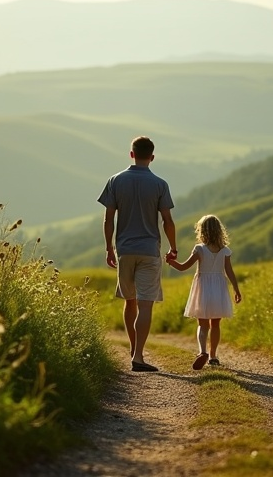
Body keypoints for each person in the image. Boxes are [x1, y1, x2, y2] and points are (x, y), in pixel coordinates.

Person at [97, 136, 178, 372]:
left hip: (124, 250)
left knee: (129, 301)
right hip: (150, 251)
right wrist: (173, 248)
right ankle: (139, 357)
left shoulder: (115, 181)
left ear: (131, 154)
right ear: (152, 157)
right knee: (145, 305)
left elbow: (108, 218)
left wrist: (109, 248)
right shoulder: (160, 184)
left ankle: (134, 350)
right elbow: (167, 221)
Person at [165, 214, 241, 370]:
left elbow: (183, 267)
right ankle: (213, 356)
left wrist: (171, 261)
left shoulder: (200, 249)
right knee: (216, 324)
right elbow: (229, 272)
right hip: (219, 288)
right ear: (220, 231)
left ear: (202, 231)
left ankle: (202, 352)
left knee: (203, 323)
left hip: (203, 289)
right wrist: (236, 288)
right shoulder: (225, 251)